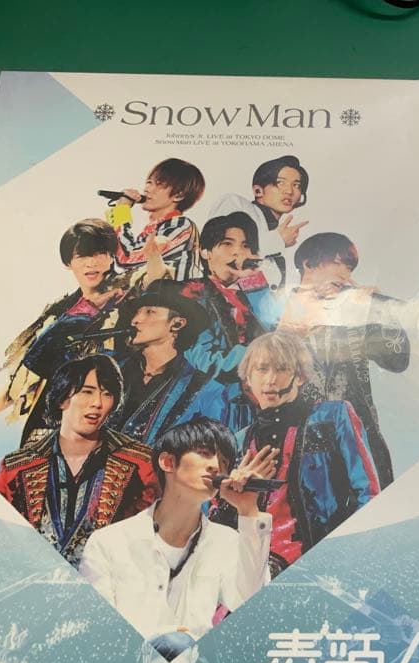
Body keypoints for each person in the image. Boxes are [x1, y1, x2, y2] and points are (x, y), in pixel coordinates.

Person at [79, 418, 273, 644]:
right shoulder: (109, 542)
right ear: (168, 462)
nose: (215, 466)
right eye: (204, 453)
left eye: (224, 462)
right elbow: (96, 630)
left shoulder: (226, 541)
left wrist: (248, 510)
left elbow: (251, 603)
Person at [213, 331, 380, 576]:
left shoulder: (333, 416)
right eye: (261, 369)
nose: (271, 380)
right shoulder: (238, 441)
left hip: (322, 565)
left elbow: (367, 492)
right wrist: (232, 498)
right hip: (255, 568)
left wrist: (346, 558)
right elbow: (216, 523)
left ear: (300, 376)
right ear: (248, 379)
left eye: (281, 369)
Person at [0, 219, 125, 453]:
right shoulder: (58, 313)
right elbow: (27, 377)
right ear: (68, 263)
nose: (91, 263)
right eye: (82, 256)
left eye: (99, 253)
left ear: (112, 256)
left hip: (100, 427)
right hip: (47, 426)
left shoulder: (126, 298)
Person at [0, 355, 158, 567]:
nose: (98, 403)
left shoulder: (141, 464)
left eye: (107, 394)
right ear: (63, 399)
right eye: (87, 392)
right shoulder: (17, 467)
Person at [277, 232, 409, 487]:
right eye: (339, 263)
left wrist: (377, 311)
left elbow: (397, 360)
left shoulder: (353, 310)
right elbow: (254, 372)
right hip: (295, 443)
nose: (345, 275)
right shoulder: (274, 307)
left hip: (356, 442)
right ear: (309, 264)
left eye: (349, 268)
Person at [108, 279, 211, 445]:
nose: (135, 320)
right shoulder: (112, 367)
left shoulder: (198, 386)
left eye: (150, 312)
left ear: (177, 323)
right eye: (137, 312)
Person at [181, 212, 282, 378]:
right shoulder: (191, 292)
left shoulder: (253, 290)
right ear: (205, 252)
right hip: (212, 387)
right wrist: (260, 358)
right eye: (227, 244)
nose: (238, 252)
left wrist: (253, 278)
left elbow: (275, 334)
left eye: (245, 245)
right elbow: (203, 358)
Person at [208, 155, 310, 288]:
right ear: (258, 190)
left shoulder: (278, 239)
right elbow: (221, 257)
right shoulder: (236, 204)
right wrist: (277, 240)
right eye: (280, 183)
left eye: (296, 185)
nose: (289, 191)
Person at [109, 158, 205, 282]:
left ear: (179, 195)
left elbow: (128, 258)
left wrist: (121, 211)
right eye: (149, 182)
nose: (147, 189)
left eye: (158, 184)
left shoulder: (180, 225)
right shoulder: (155, 228)